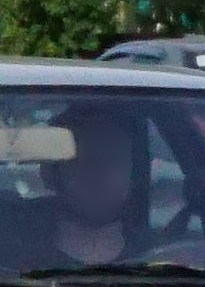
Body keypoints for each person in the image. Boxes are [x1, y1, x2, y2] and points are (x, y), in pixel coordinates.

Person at [34, 108, 146, 268]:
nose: (100, 172)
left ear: (133, 173)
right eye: (84, 158)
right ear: (49, 173)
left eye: (113, 158)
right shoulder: (10, 264)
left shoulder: (165, 261)